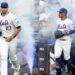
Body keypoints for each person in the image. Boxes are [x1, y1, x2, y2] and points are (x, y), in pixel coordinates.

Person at [0, 2, 21, 75]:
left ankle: (17, 67)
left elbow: (19, 28)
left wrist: (11, 36)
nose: (3, 9)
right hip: (3, 39)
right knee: (3, 57)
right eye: (2, 7)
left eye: (5, 7)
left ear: (7, 8)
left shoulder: (12, 16)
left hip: (12, 39)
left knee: (12, 58)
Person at [54, 8, 75, 75]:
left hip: (66, 41)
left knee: (67, 58)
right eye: (59, 12)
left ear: (64, 14)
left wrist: (67, 32)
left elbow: (74, 30)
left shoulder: (69, 21)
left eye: (60, 13)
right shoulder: (57, 21)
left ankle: (69, 72)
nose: (59, 14)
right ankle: (62, 67)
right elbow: (56, 30)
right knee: (57, 56)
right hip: (58, 41)